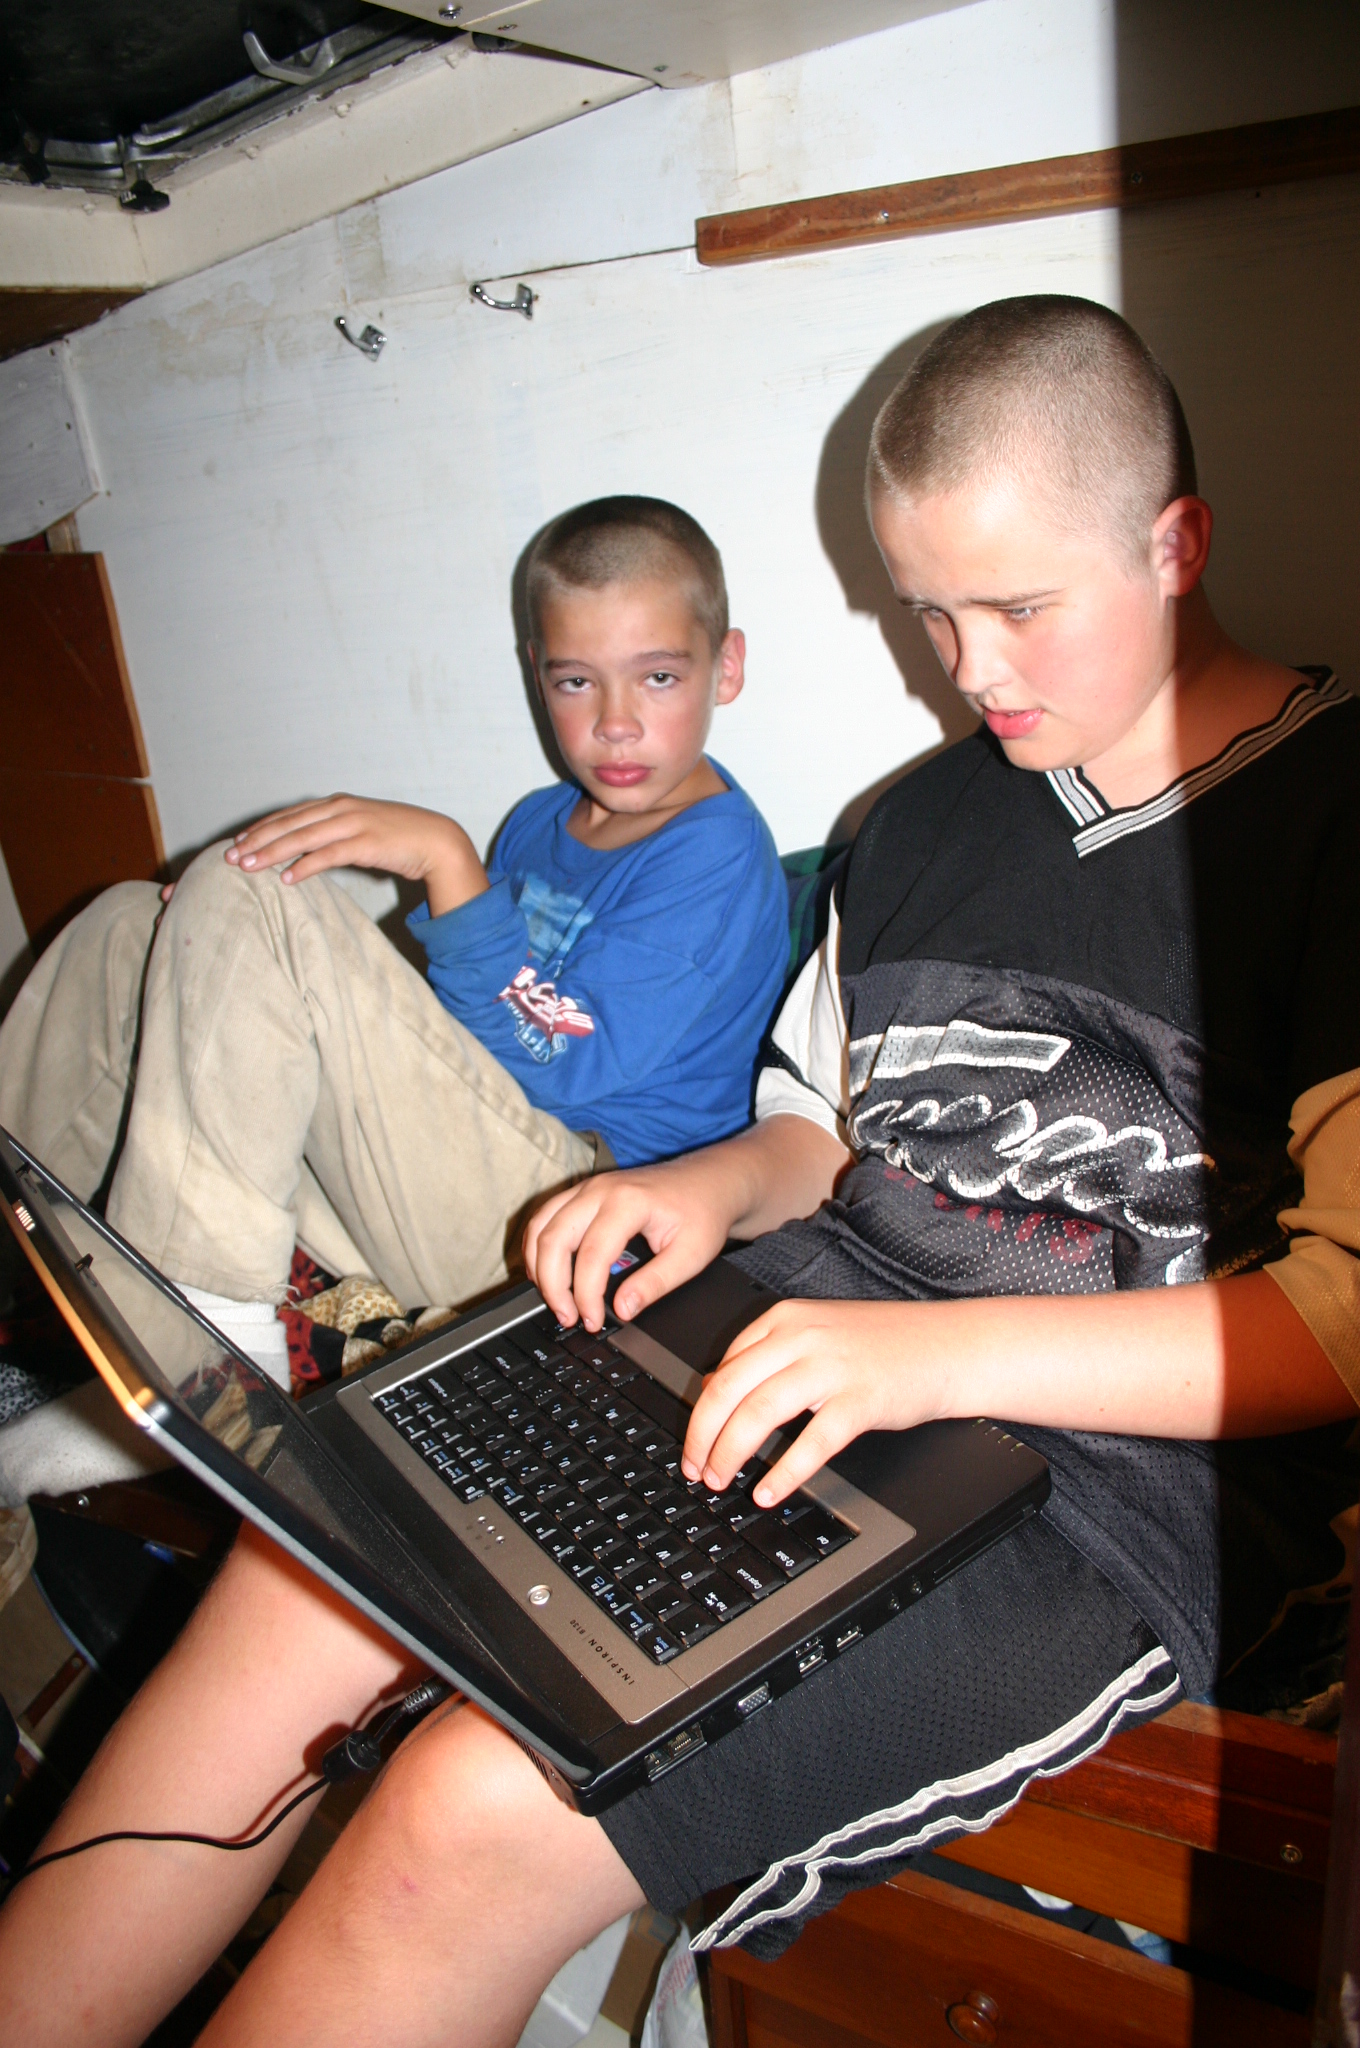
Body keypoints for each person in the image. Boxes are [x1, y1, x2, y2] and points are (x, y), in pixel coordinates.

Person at [3, 297, 1357, 2048]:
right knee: (312, 1560)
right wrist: (701, 1189)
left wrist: (917, 1356)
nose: (972, 668)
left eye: (1019, 607)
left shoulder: (1329, 821)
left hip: (1109, 1493)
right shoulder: (922, 820)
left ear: (1176, 546)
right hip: (789, 1342)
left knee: (472, 1804)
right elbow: (816, 1126)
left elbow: (1338, 1319)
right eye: (928, 612)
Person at [0, 494, 788, 1406]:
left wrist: (445, 861)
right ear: (537, 674)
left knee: (256, 897)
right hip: (458, 1182)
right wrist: (215, 951)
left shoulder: (717, 854)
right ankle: (38, 1256)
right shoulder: (540, 821)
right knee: (132, 928)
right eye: (577, 682)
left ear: (725, 667)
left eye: (656, 677)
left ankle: (203, 1353)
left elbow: (561, 1062)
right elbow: (463, 1031)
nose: (615, 721)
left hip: (578, 1218)